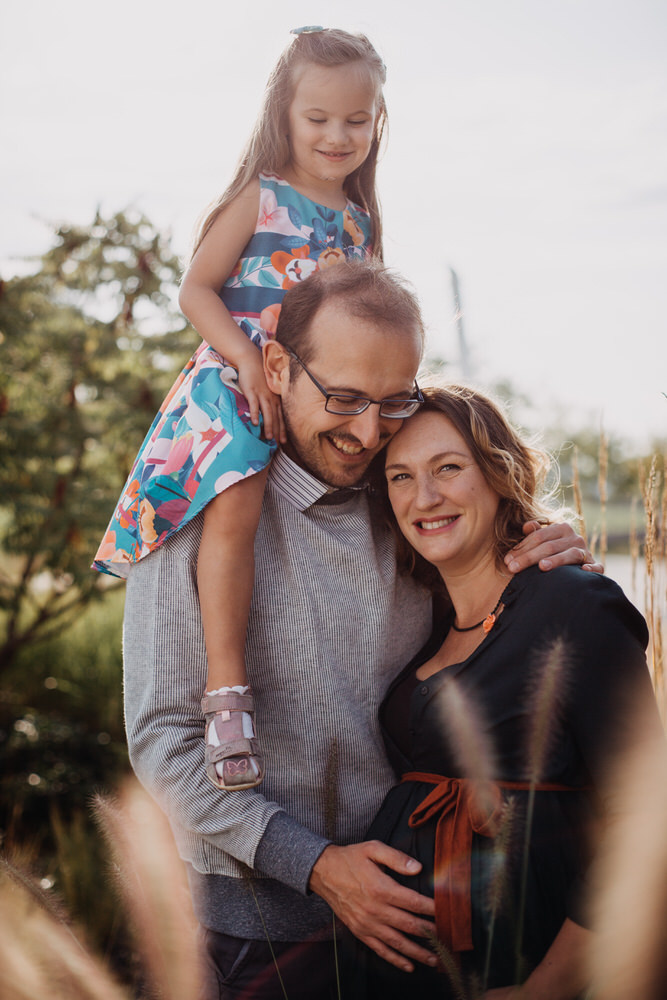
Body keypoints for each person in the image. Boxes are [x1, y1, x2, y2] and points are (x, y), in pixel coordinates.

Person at [121, 260, 600, 1000]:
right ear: (276, 367)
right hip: (256, 934)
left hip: (423, 927)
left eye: (393, 402)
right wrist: (313, 865)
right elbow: (162, 738)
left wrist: (540, 545)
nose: (368, 432)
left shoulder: (409, 502)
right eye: (342, 399)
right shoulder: (194, 508)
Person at [93, 26, 387, 791]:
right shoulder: (259, 196)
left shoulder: (357, 219)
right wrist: (248, 359)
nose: (336, 134)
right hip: (238, 374)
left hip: (315, 393)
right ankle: (227, 688)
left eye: (356, 119)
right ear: (283, 113)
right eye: (318, 116)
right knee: (239, 492)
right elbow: (196, 288)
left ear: (377, 120)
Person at [343, 384, 663, 999]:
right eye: (401, 477)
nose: (425, 497)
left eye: (448, 468)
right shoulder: (428, 621)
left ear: (498, 473)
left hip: (527, 966)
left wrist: (543, 990)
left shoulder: (573, 605)